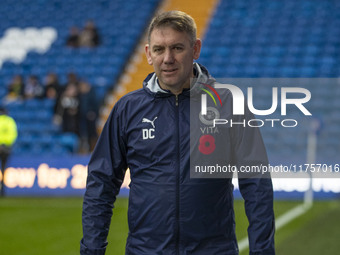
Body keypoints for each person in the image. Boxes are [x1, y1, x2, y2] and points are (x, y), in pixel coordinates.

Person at [81, 10, 275, 255]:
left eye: (177, 48)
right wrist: (92, 250)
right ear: (148, 54)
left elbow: (257, 183)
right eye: (159, 49)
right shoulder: (127, 109)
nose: (168, 58)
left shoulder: (228, 103)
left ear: (195, 49)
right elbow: (101, 184)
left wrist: (263, 250)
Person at [0, 106, 18, 197]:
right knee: (4, 169)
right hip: (6, 148)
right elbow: (13, 135)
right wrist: (5, 144)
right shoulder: (10, 121)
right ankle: (2, 190)